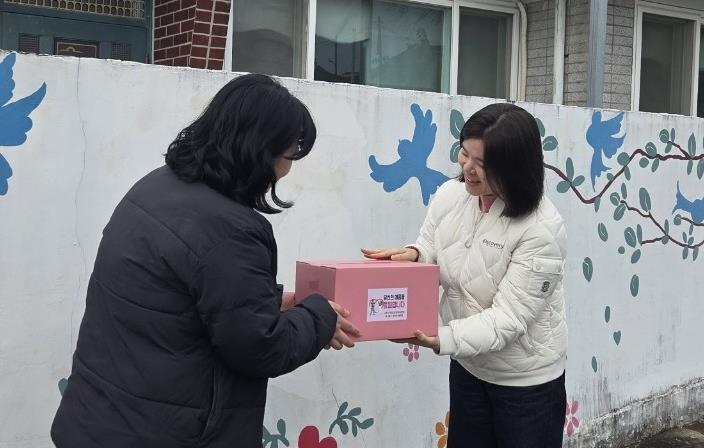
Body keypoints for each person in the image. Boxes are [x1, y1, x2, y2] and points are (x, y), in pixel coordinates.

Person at [51, 74, 359, 448]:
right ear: (260, 150)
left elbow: (179, 301)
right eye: (291, 152)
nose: (289, 167)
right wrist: (319, 317)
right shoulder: (229, 229)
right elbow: (260, 348)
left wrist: (267, 304)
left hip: (99, 420)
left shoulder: (155, 187)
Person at [363, 103, 567, 448]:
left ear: (514, 167)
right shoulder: (451, 195)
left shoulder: (541, 229)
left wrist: (438, 338)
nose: (467, 169)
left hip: (526, 384)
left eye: (482, 163)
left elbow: (508, 320)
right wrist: (415, 255)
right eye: (464, 153)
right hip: (469, 368)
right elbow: (431, 245)